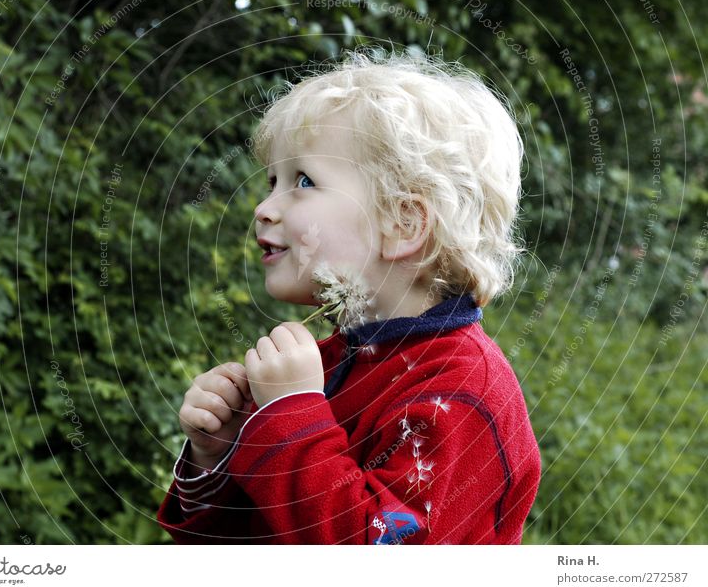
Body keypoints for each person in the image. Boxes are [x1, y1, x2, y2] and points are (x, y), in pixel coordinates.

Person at [158, 47, 541, 544]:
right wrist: (218, 456)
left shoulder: (462, 393)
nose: (263, 208)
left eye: (302, 181)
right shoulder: (326, 366)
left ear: (402, 224)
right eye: (272, 180)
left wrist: (290, 420)